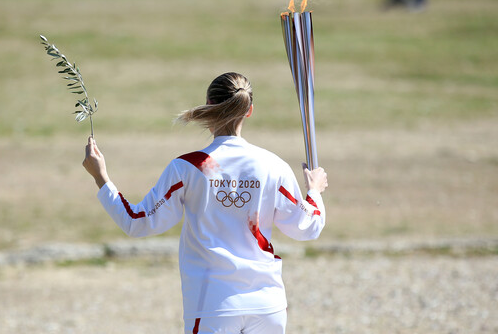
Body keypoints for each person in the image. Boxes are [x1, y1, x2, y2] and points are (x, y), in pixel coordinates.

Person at [83, 72, 328, 334]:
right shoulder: (273, 166)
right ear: (249, 111)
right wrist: (314, 191)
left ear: (209, 106)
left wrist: (101, 177)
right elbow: (307, 226)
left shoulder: (188, 167)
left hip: (213, 306)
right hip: (268, 306)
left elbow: (137, 223)